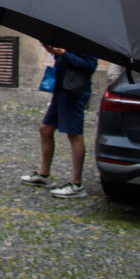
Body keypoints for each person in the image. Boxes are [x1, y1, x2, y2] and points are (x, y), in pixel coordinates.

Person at [21, 45, 98, 198]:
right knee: (45, 129)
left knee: (74, 134)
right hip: (61, 87)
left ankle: (76, 184)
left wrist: (64, 53)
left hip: (74, 89)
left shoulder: (86, 37)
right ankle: (44, 175)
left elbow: (90, 65)